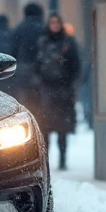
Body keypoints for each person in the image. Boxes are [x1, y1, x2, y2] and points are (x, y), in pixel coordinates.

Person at [33, 13, 81, 170]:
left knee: (62, 128)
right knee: (45, 128)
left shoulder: (68, 42)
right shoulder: (41, 42)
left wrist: (69, 82)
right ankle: (45, 161)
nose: (55, 25)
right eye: (52, 22)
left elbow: (75, 65)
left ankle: (62, 160)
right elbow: (36, 65)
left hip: (63, 91)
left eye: (57, 22)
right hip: (46, 91)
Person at [12, 3, 47, 119]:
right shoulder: (44, 28)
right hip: (41, 73)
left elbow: (13, 51)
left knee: (26, 106)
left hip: (23, 72)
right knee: (41, 106)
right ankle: (42, 130)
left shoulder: (19, 29)